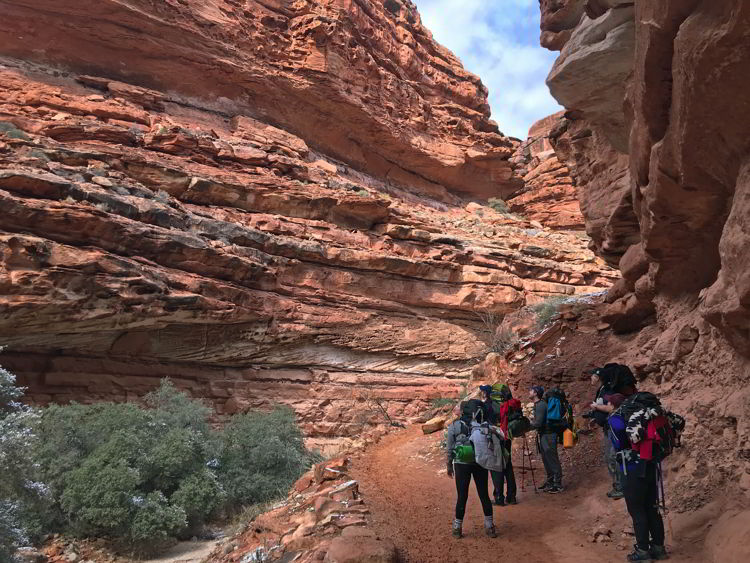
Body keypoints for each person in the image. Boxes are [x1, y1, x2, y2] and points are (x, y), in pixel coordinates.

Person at [608, 393, 668, 561]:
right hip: (650, 463)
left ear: (613, 405)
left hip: (631, 467)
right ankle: (659, 548)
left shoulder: (616, 419)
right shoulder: (645, 415)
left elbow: (618, 443)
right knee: (652, 507)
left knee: (637, 510)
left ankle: (642, 551)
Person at [445, 399, 497, 538]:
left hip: (461, 463)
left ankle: (457, 527)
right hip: (479, 462)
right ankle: (489, 526)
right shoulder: (482, 426)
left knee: (462, 496)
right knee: (484, 494)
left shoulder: (454, 425)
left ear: (464, 411)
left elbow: (449, 448)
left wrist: (449, 465)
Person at [586, 364, 639, 500]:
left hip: (614, 427)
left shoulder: (610, 390)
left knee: (614, 457)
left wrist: (596, 407)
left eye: (592, 375)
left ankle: (622, 487)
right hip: (608, 426)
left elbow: (612, 408)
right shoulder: (604, 388)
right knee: (611, 457)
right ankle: (619, 485)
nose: (590, 378)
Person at [529, 385, 563, 493]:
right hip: (545, 435)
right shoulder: (539, 404)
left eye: (531, 390)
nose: (529, 392)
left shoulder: (540, 405)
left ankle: (557, 484)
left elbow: (538, 423)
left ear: (535, 393)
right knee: (546, 459)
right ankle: (550, 482)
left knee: (552, 459)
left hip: (548, 435)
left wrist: (526, 427)